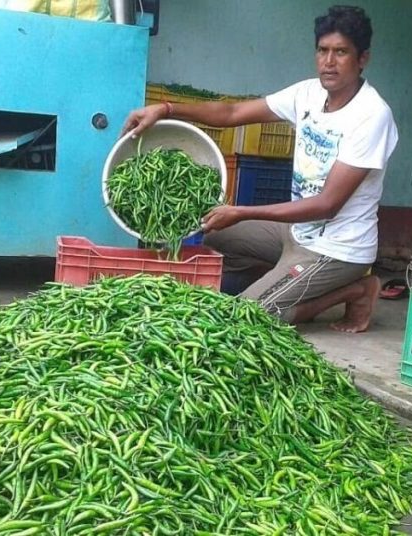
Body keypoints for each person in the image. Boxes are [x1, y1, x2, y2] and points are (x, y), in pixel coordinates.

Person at [122, 5, 398, 333]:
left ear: (362, 58)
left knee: (249, 317)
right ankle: (282, 280)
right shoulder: (307, 94)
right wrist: (166, 109)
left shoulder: (371, 115)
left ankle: (355, 289)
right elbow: (233, 112)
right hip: (295, 233)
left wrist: (241, 211)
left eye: (341, 52)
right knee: (213, 228)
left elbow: (327, 205)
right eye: (323, 50)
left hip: (337, 249)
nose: (328, 61)